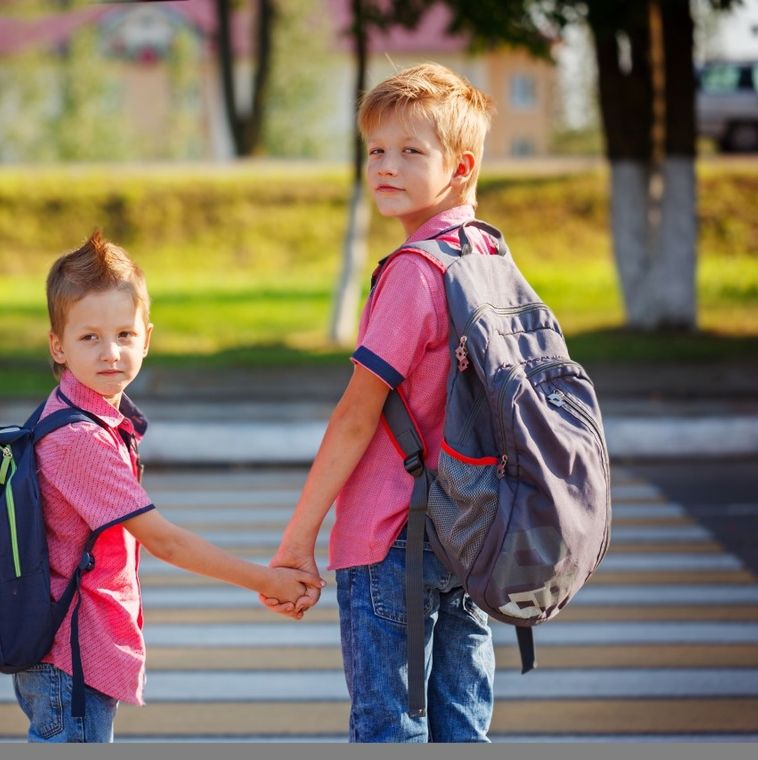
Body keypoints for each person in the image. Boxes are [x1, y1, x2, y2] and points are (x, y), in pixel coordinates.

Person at [261, 62, 498, 742]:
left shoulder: (412, 273)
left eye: (410, 152)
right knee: (462, 728)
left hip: (391, 537)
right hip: (470, 528)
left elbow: (357, 415)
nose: (386, 167)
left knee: (388, 730)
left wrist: (298, 539)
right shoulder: (486, 253)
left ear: (461, 166)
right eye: (375, 151)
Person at [16, 230, 324, 743]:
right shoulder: (78, 438)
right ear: (58, 346)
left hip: (73, 649)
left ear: (147, 338)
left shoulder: (90, 416)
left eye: (124, 335)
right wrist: (265, 581)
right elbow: (165, 541)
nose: (110, 351)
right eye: (89, 337)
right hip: (69, 657)